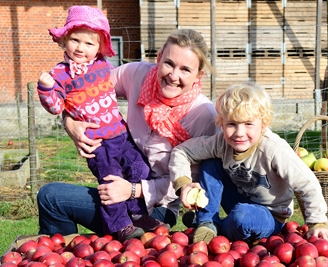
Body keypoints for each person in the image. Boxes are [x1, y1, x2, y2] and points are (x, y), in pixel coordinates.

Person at [36, 28, 219, 238]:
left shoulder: (203, 115)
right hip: (119, 183)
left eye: (185, 69)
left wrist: (133, 190)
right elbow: (85, 92)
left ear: (199, 75)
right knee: (51, 196)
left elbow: (189, 181)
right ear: (158, 58)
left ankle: (60, 254)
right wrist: (70, 123)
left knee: (51, 198)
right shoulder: (138, 75)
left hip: (158, 207)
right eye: (168, 63)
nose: (173, 76)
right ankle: (66, 256)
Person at [36, 5, 155, 242]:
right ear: (64, 41)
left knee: (140, 168)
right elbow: (56, 107)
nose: (81, 47)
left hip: (121, 134)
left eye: (89, 43)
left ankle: (138, 212)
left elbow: (121, 88)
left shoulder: (104, 66)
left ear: (99, 47)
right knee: (110, 180)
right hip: (98, 143)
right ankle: (120, 226)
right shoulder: (60, 74)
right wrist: (45, 89)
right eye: (75, 40)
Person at [169, 81, 328, 244]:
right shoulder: (220, 143)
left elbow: (307, 182)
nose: (239, 133)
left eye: (248, 124)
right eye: (231, 124)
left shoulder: (274, 149)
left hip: (270, 213)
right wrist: (184, 184)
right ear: (221, 123)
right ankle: (206, 222)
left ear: (263, 124)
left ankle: (215, 228)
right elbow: (182, 151)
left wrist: (317, 222)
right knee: (210, 163)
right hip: (237, 199)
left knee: (243, 217)